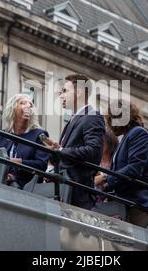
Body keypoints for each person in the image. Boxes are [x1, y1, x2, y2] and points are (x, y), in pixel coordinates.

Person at [43, 74, 105, 210]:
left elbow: (93, 152)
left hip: (78, 196)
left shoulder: (92, 116)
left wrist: (61, 151)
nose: (61, 96)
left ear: (79, 92)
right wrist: (56, 152)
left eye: (65, 91)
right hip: (64, 190)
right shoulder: (73, 119)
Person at [95, 100, 148, 227]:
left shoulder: (139, 133)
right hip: (123, 203)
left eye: (111, 119)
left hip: (136, 206)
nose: (110, 125)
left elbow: (134, 169)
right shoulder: (125, 138)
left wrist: (105, 178)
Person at [0, 93, 50, 189]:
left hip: (25, 187)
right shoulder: (0, 135)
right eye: (23, 103)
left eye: (31, 105)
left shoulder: (41, 135)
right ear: (12, 109)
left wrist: (17, 162)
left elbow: (41, 165)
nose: (28, 106)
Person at [94, 130, 118, 203]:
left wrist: (103, 178)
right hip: (94, 199)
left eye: (103, 141)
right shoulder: (95, 160)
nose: (100, 144)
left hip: (110, 201)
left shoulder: (115, 161)